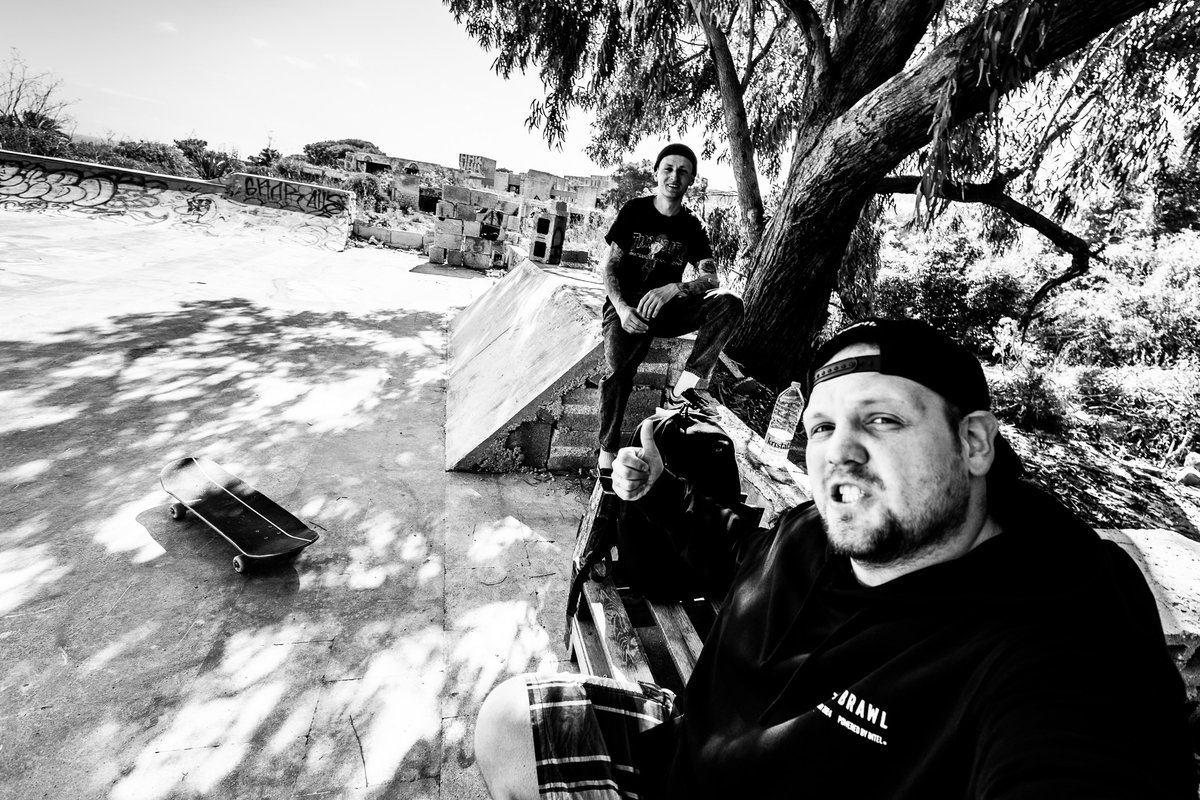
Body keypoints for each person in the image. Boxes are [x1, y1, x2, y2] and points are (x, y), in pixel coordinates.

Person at [474, 318, 1197, 799]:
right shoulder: (821, 534)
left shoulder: (1055, 636)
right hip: (692, 757)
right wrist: (661, 494)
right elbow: (742, 556)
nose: (839, 452)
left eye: (881, 419)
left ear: (974, 443)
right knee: (508, 723)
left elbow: (1075, 751)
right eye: (822, 426)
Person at [595, 143, 743, 479]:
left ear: (691, 180)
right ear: (657, 173)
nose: (674, 176)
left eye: (683, 171)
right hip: (629, 308)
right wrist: (620, 308)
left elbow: (710, 277)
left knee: (730, 303)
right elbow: (610, 268)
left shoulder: (692, 226)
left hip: (669, 308)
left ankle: (685, 386)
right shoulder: (635, 211)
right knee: (618, 372)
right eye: (668, 168)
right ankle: (607, 450)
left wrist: (674, 288)